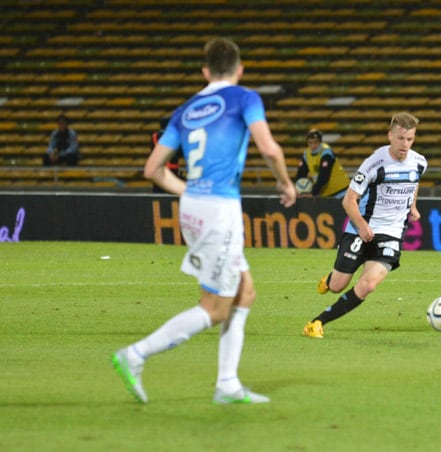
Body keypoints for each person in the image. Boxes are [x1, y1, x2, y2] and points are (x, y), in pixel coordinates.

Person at [111, 38, 296, 404]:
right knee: (214, 308)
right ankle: (135, 355)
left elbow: (153, 169)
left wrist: (192, 192)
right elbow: (270, 149)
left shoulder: (186, 109)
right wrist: (285, 183)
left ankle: (227, 383)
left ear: (205, 72)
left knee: (245, 293)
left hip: (194, 205)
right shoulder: (245, 98)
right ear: (240, 69)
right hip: (218, 209)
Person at [303, 112, 427, 339]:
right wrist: (361, 225)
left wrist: (412, 207)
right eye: (400, 138)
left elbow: (414, 183)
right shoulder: (374, 163)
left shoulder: (419, 162)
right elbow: (348, 200)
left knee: (368, 285)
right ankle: (330, 279)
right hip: (362, 229)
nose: (405, 145)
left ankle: (317, 322)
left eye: (410, 139)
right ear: (390, 135)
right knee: (338, 285)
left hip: (391, 233)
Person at [295, 128, 350, 198]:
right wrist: (298, 189)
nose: (313, 145)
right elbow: (301, 173)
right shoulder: (306, 154)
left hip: (341, 191)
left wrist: (313, 193)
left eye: (315, 142)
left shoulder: (326, 153)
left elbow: (324, 176)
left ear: (320, 142)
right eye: (310, 143)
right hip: (326, 194)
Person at [151, 116, 184, 193]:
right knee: (171, 189)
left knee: (158, 188)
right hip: (171, 166)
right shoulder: (170, 136)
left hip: (157, 166)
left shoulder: (154, 136)